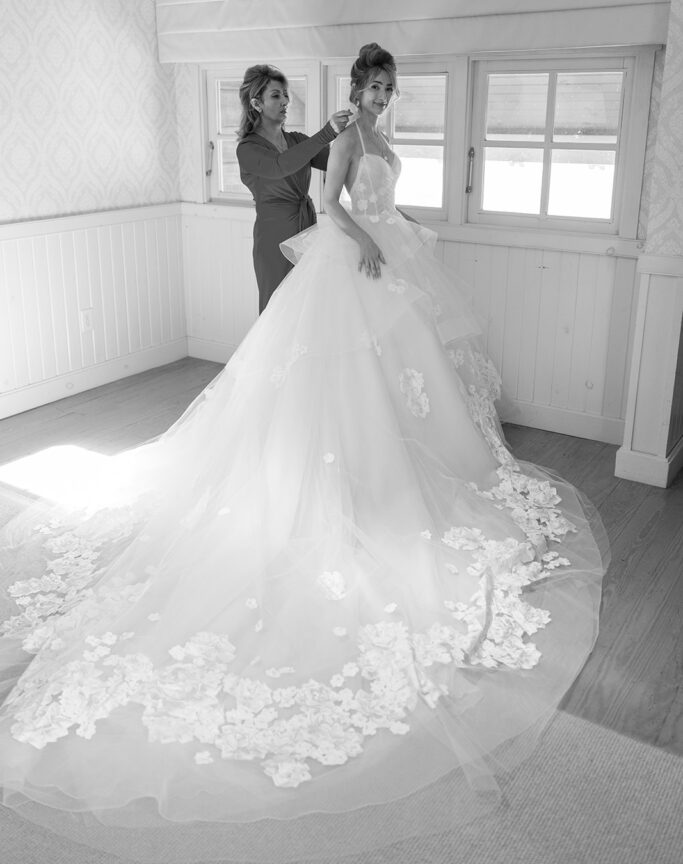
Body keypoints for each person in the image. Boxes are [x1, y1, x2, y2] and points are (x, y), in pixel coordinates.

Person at [0, 43, 607, 864]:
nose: (380, 96)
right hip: (347, 257)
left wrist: (397, 229)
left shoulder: (370, 133)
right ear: (351, 88)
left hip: (383, 255)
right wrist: (363, 233)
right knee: (324, 380)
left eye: (388, 88)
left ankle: (404, 464)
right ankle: (334, 475)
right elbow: (328, 199)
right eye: (371, 86)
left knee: (403, 384)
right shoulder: (334, 136)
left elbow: (357, 189)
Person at [236, 64, 352, 312]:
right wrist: (326, 132)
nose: (285, 101)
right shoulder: (247, 149)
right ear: (256, 104)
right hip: (274, 240)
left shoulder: (297, 141)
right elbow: (280, 166)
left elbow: (337, 165)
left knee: (308, 310)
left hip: (308, 233)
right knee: (277, 312)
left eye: (286, 94)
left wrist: (359, 137)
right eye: (276, 95)